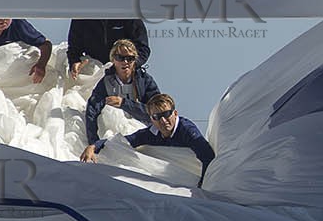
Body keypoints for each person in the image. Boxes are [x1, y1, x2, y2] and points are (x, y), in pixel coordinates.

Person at [81, 92, 215, 184]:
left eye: (167, 114)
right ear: (151, 119)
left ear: (175, 113)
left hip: (194, 174)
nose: (163, 121)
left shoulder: (187, 130)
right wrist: (94, 146)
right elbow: (123, 141)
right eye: (156, 117)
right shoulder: (151, 133)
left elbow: (207, 156)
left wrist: (203, 183)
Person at [83, 40, 161, 145]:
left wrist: (125, 104)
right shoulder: (106, 83)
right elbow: (92, 112)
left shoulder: (145, 81)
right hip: (113, 133)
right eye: (120, 58)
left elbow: (158, 112)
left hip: (142, 132)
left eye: (130, 59)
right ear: (113, 60)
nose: (125, 62)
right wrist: (93, 143)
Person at [66, 18, 151, 77]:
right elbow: (74, 48)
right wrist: (74, 62)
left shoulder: (128, 13)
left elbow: (142, 48)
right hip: (94, 73)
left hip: (126, 76)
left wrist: (128, 65)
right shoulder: (83, 14)